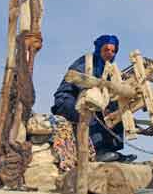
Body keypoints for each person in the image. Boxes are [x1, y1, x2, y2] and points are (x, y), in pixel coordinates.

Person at [51, 34, 136, 163]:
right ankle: (97, 151)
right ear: (99, 49)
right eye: (106, 50)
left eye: (113, 51)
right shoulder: (85, 62)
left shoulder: (110, 69)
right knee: (93, 110)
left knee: (117, 109)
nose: (110, 53)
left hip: (95, 99)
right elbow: (76, 81)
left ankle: (110, 150)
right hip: (69, 99)